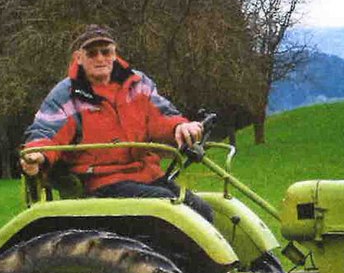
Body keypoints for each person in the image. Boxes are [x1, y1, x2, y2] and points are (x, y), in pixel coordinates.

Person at [20, 25, 214, 222]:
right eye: (92, 53)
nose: (100, 58)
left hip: (146, 173)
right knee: (169, 209)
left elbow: (162, 116)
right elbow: (46, 131)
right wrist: (37, 153)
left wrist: (180, 127)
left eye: (106, 52)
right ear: (78, 57)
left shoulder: (138, 83)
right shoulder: (66, 95)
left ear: (114, 54)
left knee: (201, 209)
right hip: (102, 182)